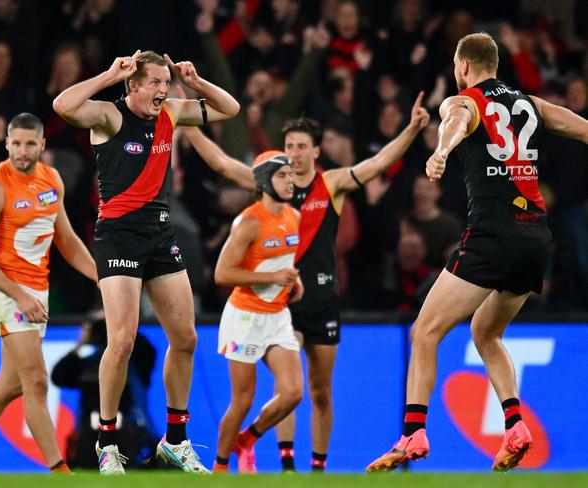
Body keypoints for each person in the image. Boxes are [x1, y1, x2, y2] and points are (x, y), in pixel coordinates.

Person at [366, 32, 588, 473]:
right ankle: (515, 425)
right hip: (536, 236)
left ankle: (413, 432)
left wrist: (442, 151)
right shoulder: (528, 102)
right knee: (486, 332)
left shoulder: (463, 100)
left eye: (455, 66)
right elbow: (578, 125)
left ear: (464, 66)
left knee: (424, 332)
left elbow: (456, 117)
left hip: (494, 235)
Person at [183, 92, 429, 471]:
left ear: (316, 152)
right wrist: (186, 122)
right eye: (288, 147)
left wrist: (412, 130)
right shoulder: (266, 184)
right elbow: (219, 162)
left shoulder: (330, 184)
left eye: (301, 147)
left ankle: (316, 468)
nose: (294, 154)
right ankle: (286, 466)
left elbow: (378, 161)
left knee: (320, 392)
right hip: (278, 304)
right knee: (286, 389)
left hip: (322, 300)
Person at [52, 49, 239, 474]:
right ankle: (106, 442)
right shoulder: (110, 117)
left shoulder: (172, 110)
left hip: (159, 233)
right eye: (154, 82)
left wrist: (194, 82)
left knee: (186, 338)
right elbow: (63, 106)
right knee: (121, 341)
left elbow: (230, 107)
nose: (162, 91)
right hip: (118, 236)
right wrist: (108, 73)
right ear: (132, 85)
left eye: (165, 83)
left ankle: (175, 440)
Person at [0, 112, 97, 474]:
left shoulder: (51, 179)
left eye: (30, 144)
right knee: (36, 381)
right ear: (6, 143)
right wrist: (20, 296)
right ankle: (60, 472)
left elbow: (67, 240)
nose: (22, 151)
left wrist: (101, 277)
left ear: (42, 145)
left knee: (10, 385)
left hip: (35, 288)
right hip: (4, 288)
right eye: (16, 143)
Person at [212, 151, 304, 474]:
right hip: (246, 317)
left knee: (293, 392)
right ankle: (220, 468)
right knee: (243, 400)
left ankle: (246, 440)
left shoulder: (293, 217)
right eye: (282, 176)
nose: (290, 181)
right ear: (264, 181)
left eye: (291, 175)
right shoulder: (248, 222)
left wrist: (295, 280)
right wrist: (272, 278)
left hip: (278, 315)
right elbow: (222, 274)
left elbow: (284, 260)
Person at [51, 316, 158, 469]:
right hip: (89, 428)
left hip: (130, 423)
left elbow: (148, 352)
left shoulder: (136, 363)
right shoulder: (87, 364)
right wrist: (81, 343)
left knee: (151, 445)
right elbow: (58, 376)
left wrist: (124, 327)